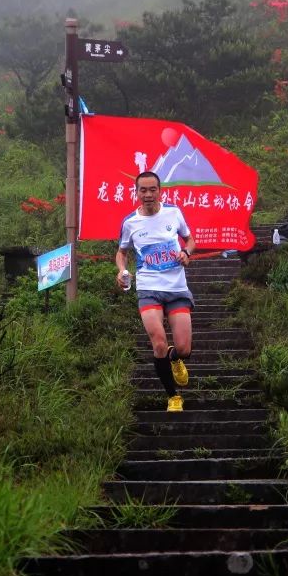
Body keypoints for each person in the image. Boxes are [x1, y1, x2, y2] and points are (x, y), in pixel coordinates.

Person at [116, 171, 196, 412]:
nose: (148, 194)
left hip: (176, 288)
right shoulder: (130, 222)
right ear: (137, 192)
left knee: (184, 349)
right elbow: (122, 252)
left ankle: (175, 357)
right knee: (158, 345)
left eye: (153, 189)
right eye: (143, 190)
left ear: (160, 191)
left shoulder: (174, 213)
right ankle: (173, 397)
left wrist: (186, 253)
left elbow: (190, 240)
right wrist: (121, 270)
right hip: (148, 287)